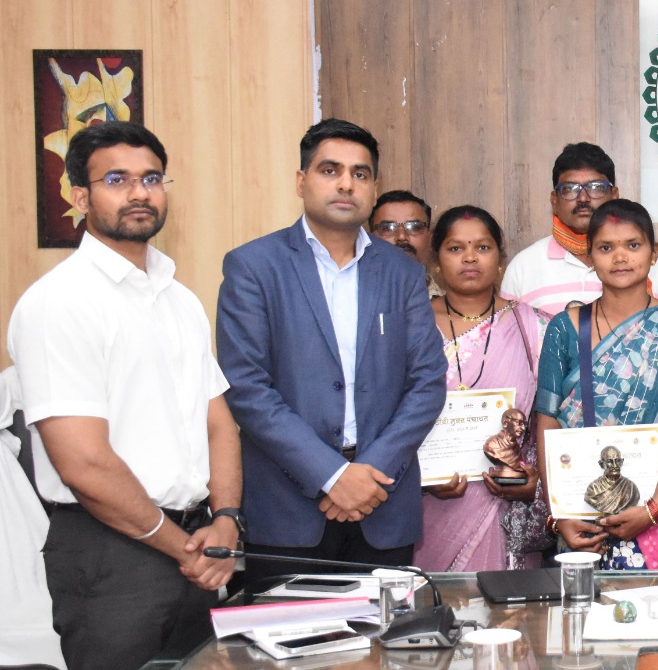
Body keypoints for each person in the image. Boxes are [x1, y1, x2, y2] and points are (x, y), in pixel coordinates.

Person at [7, 122, 242, 669]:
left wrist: (227, 520)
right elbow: (84, 463)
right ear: (80, 197)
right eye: (117, 179)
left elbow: (219, 425)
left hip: (198, 543)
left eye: (152, 178)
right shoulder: (59, 303)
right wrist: (182, 548)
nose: (139, 192)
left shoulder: (179, 299)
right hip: (112, 554)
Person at [217, 119, 447, 580]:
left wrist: (369, 472)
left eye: (360, 174)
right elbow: (247, 387)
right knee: (289, 630)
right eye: (330, 170)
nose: (346, 183)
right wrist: (332, 475)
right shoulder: (253, 267)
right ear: (301, 181)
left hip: (382, 502)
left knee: (386, 630)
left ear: (373, 188)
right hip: (287, 510)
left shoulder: (402, 273)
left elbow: (427, 382)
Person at [533, 199, 658, 570]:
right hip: (580, 515)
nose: (620, 257)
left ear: (654, 253)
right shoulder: (564, 328)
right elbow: (547, 422)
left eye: (633, 245)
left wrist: (653, 509)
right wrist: (559, 514)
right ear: (590, 256)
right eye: (606, 247)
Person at [414, 205, 553, 572]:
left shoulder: (534, 327)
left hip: (508, 499)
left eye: (483, 247)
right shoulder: (410, 323)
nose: (470, 257)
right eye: (455, 248)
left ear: (500, 258)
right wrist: (419, 478)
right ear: (436, 261)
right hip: (427, 506)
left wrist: (535, 482)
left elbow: (556, 420)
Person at [502, 142, 658, 318]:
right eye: (570, 189)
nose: (583, 198)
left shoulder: (653, 262)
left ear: (614, 196)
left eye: (596, 188)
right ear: (554, 201)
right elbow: (505, 336)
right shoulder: (523, 267)